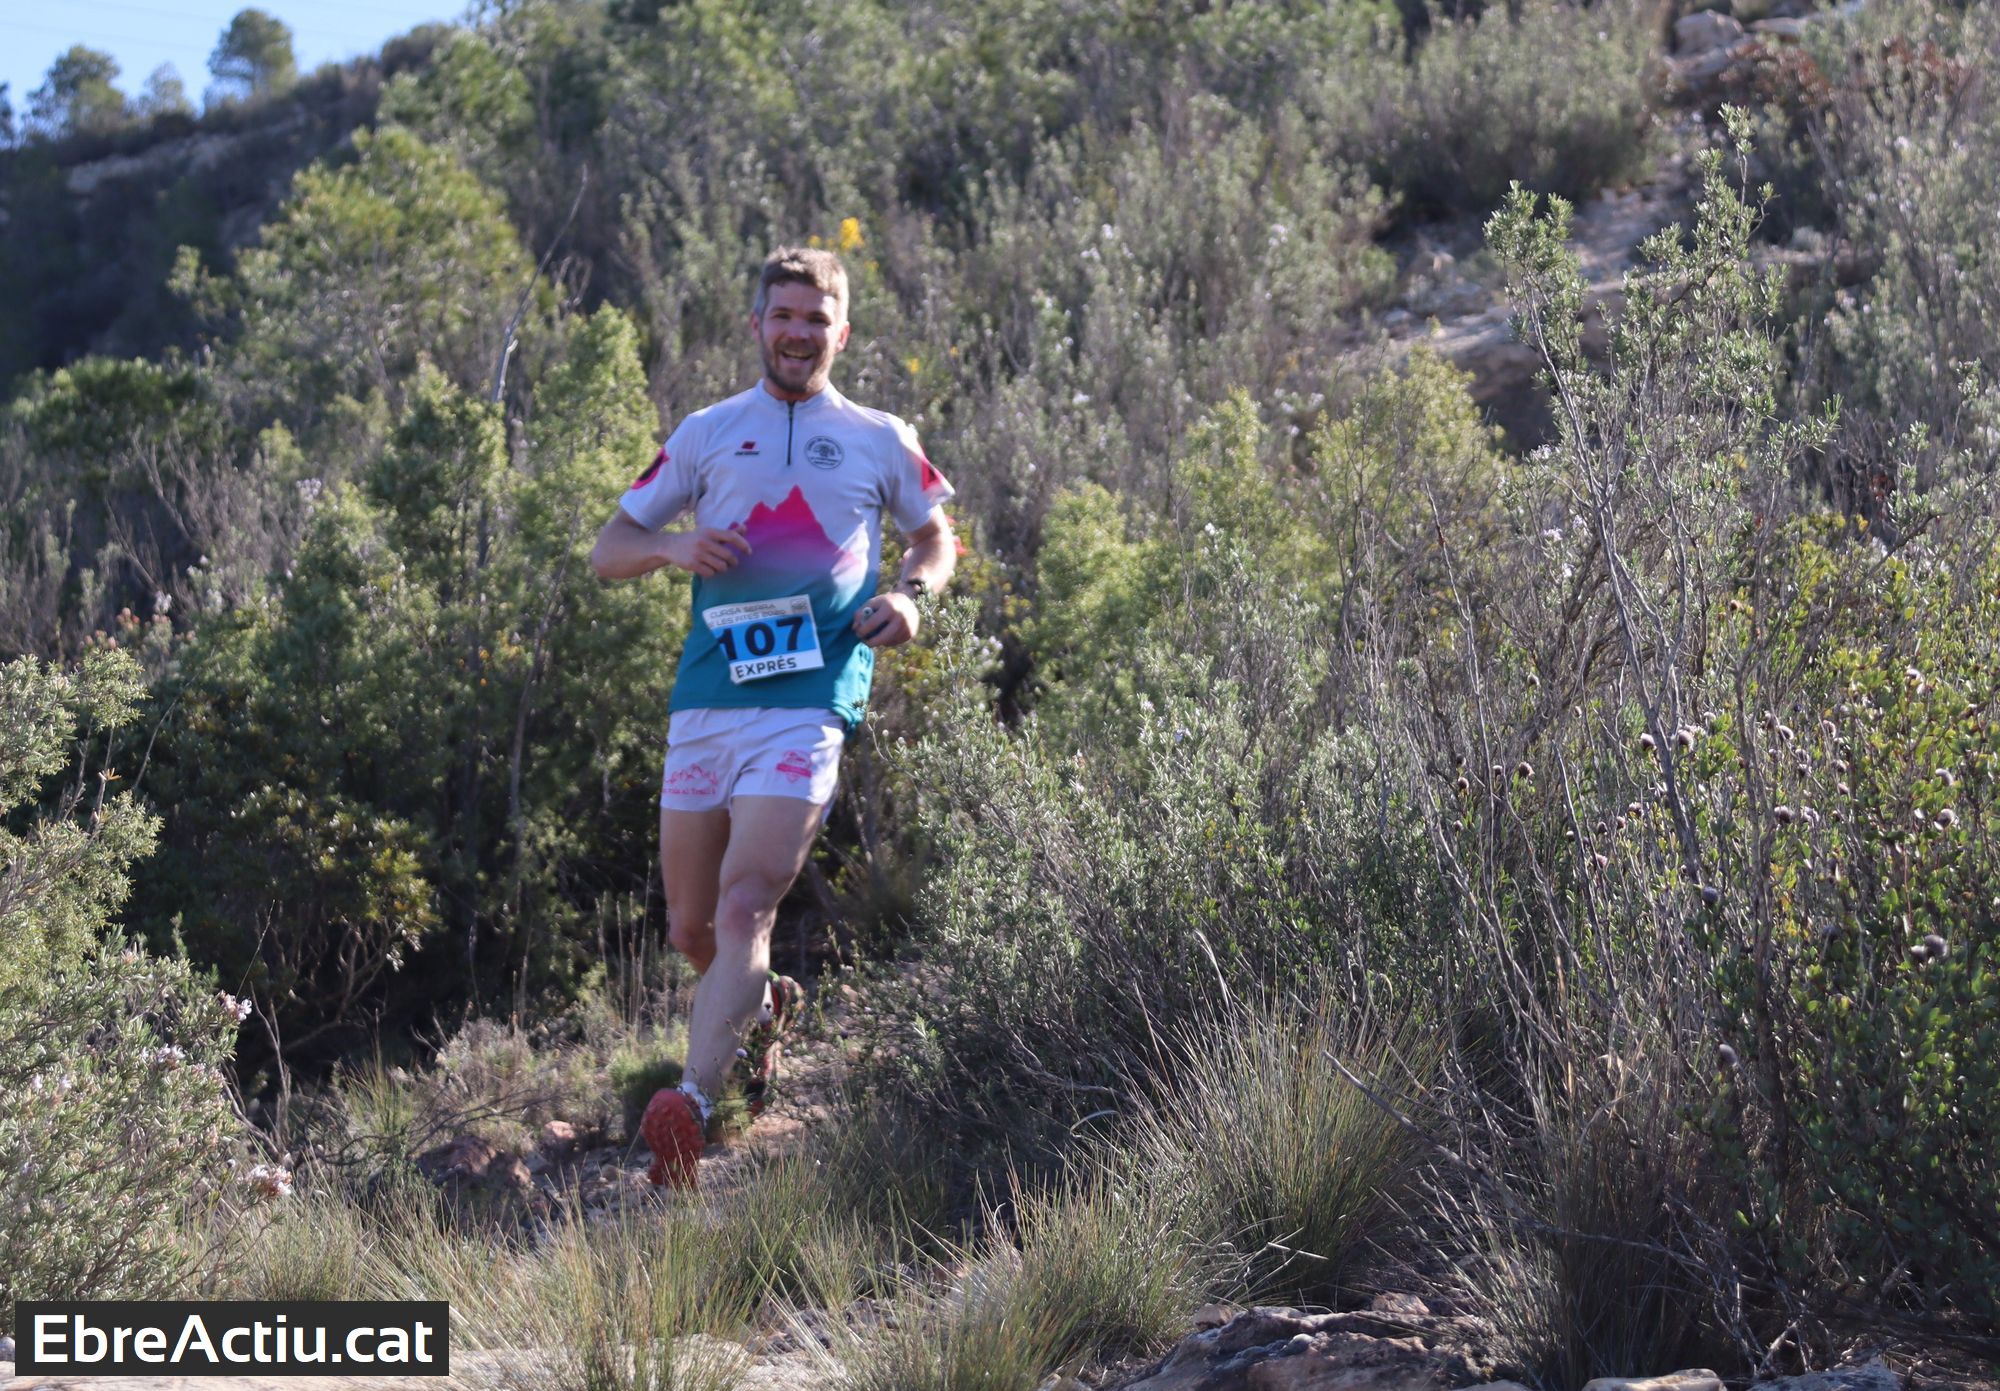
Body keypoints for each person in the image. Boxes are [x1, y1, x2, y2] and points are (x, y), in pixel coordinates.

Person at [589, 246, 956, 1188]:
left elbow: (933, 534)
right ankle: (761, 1014)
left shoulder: (878, 436)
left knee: (748, 901)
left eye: (816, 318)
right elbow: (609, 548)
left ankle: (693, 1107)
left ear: (843, 331)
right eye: (783, 315)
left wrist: (911, 596)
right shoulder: (708, 431)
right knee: (693, 927)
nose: (798, 333)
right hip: (707, 701)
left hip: (809, 702)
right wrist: (675, 547)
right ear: (756, 324)